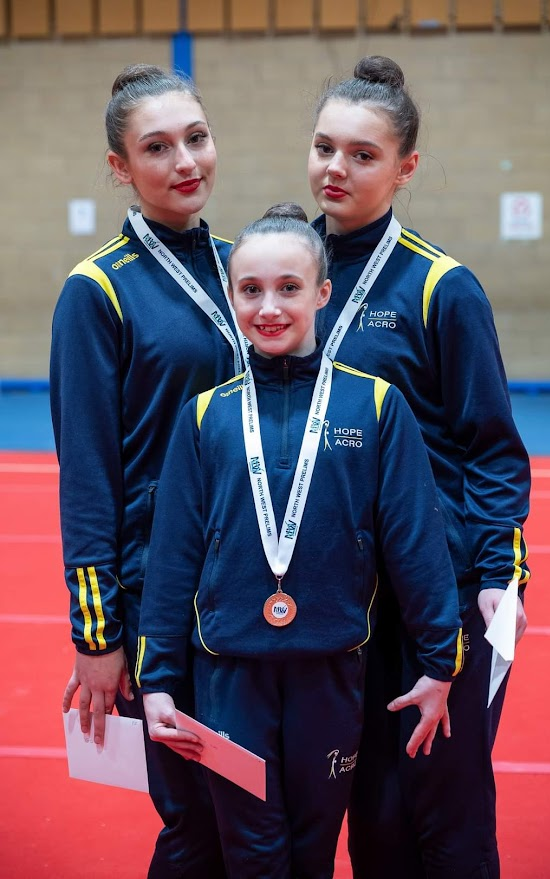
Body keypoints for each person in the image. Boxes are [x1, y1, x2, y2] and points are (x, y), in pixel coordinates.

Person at [135, 203, 464, 879]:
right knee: (251, 853)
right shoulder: (206, 413)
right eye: (250, 289)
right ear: (231, 296)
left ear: (321, 293)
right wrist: (159, 678)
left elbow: (414, 541)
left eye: (288, 287)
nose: (269, 306)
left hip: (331, 672)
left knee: (312, 854)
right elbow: (172, 559)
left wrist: (439, 660)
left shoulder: (374, 405)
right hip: (228, 675)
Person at [307, 56, 531, 879]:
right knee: (370, 811)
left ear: (404, 167)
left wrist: (491, 588)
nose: (336, 168)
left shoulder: (443, 287)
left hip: (439, 595)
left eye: (362, 155)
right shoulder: (292, 279)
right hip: (340, 598)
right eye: (325, 147)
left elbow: (493, 449)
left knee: (446, 807)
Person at [49, 63, 248, 877]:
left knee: (258, 811)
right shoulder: (96, 292)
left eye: (195, 138)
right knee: (197, 819)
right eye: (157, 148)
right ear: (120, 168)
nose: (184, 161)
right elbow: (87, 475)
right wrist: (97, 635)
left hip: (254, 580)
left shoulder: (249, 267)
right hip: (159, 599)